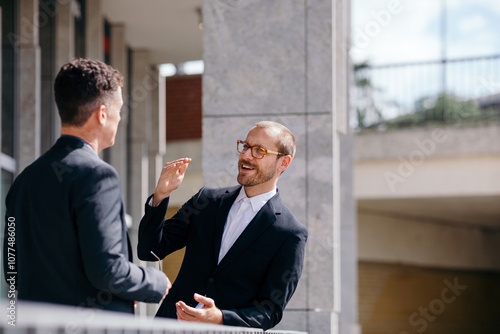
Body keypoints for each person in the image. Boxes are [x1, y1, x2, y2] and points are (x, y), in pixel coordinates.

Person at [3, 58, 170, 313]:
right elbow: (108, 269)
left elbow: (11, 267)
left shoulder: (24, 180)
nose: (119, 118)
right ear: (102, 114)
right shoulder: (98, 176)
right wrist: (157, 282)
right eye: (119, 110)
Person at [137, 121, 308, 330]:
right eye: (245, 146)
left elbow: (269, 310)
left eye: (259, 151)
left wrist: (220, 318)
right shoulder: (206, 201)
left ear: (284, 162)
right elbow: (150, 250)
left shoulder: (290, 233)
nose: (246, 155)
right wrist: (160, 196)